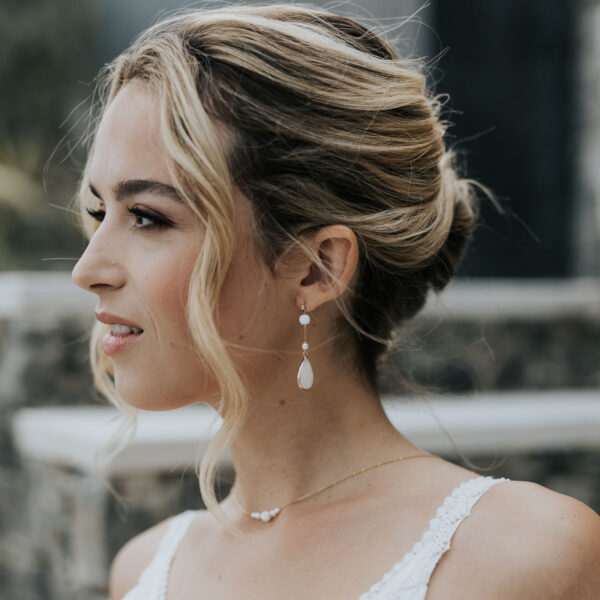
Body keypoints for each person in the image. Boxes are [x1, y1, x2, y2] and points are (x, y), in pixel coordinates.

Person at [70, 4, 600, 599]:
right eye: (100, 212)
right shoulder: (142, 570)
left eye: (147, 217)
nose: (87, 270)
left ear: (319, 267)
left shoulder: (524, 556)